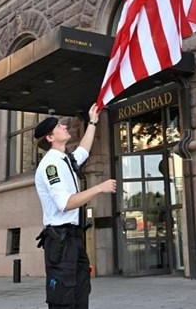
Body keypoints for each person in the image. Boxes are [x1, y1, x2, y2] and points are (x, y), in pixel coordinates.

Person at [34, 105, 116, 309]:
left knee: (81, 292)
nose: (64, 126)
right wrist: (99, 188)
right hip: (60, 240)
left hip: (74, 238)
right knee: (64, 298)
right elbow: (65, 203)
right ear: (50, 138)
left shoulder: (66, 160)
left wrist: (93, 120)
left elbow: (84, 150)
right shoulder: (50, 165)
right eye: (58, 126)